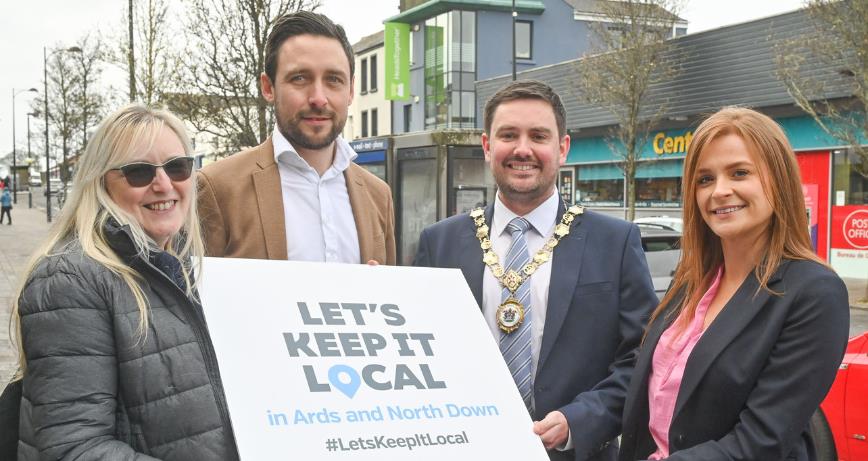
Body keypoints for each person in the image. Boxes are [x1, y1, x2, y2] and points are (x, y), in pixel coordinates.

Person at [414, 80, 658, 461]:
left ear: (562, 148)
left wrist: (579, 420)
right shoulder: (440, 243)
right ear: (487, 146)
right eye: (508, 135)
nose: (522, 149)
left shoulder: (615, 242)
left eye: (538, 136)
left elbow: (642, 359)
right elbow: (419, 355)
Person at [618, 107, 850, 461]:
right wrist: (574, 419)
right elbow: (643, 386)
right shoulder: (694, 281)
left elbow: (762, 440)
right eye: (705, 179)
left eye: (739, 173)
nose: (720, 191)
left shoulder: (815, 293)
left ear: (779, 180)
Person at [11, 105, 238, 460]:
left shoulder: (182, 268)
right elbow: (75, 446)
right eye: (138, 172)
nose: (163, 184)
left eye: (178, 167)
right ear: (101, 183)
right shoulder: (70, 280)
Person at [197, 11, 395, 265]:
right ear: (268, 87)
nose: (318, 98)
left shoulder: (379, 196)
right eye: (300, 78)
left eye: (334, 80)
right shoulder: (217, 189)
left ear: (351, 90)